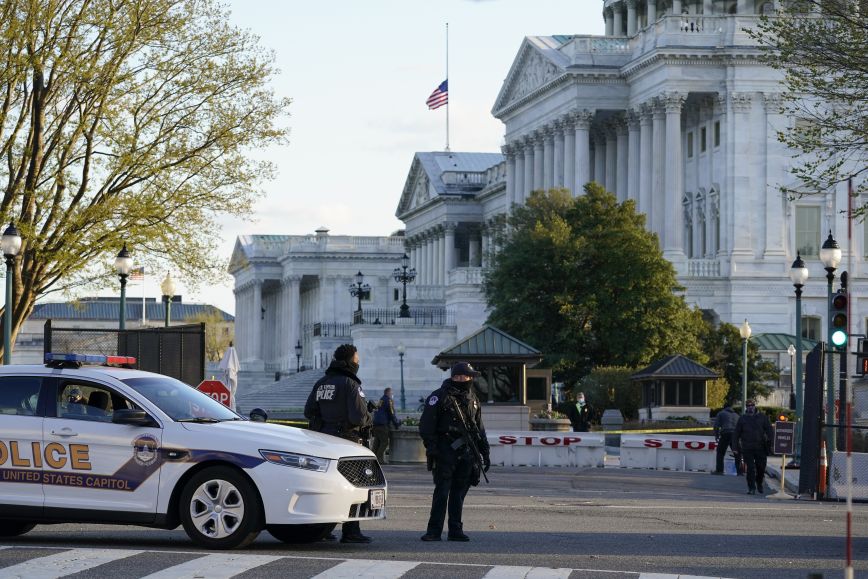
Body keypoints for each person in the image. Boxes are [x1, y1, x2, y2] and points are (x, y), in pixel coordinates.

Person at [304, 344, 373, 543]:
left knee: (328, 486)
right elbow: (359, 417)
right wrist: (369, 417)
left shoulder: (322, 382)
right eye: (357, 359)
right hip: (348, 441)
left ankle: (323, 530)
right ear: (350, 360)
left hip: (323, 440)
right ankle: (351, 531)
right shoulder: (350, 384)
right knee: (356, 485)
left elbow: (309, 411)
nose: (358, 362)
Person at [419, 361, 490, 542]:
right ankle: (433, 531)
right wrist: (433, 448)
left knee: (459, 492)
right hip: (445, 450)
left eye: (468, 376)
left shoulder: (472, 398)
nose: (466, 379)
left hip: (466, 452)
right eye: (463, 376)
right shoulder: (439, 397)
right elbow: (427, 425)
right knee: (442, 491)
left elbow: (479, 428)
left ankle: (455, 530)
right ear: (455, 377)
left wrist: (485, 451)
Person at [734, 399, 773, 495]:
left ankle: (759, 482)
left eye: (752, 405)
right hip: (747, 448)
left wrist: (771, 443)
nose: (750, 407)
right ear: (746, 407)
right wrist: (735, 447)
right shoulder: (742, 419)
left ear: (755, 406)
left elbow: (769, 430)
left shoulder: (762, 417)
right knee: (750, 469)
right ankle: (751, 488)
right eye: (748, 405)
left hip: (760, 447)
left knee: (761, 468)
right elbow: (736, 434)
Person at [371, 387, 401, 463]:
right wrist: (397, 423)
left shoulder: (381, 400)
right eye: (391, 393)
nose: (392, 395)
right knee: (384, 442)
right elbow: (392, 413)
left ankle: (372, 459)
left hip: (376, 424)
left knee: (377, 442)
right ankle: (379, 460)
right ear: (388, 393)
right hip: (382, 424)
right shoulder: (389, 400)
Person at [712, 401, 739, 475]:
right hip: (735, 435)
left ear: (724, 407)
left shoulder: (721, 413)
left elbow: (716, 426)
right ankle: (740, 472)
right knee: (737, 454)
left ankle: (719, 470)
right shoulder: (737, 415)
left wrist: (716, 436)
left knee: (720, 452)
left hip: (726, 434)